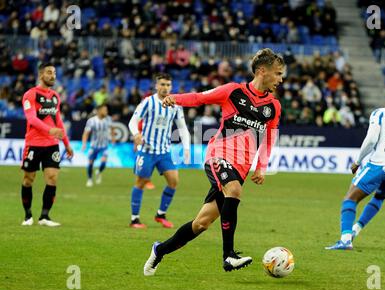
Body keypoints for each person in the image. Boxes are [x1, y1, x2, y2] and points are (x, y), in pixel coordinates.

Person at [143, 48, 285, 275]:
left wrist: (261, 167)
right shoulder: (233, 92)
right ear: (261, 71)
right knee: (235, 190)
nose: (280, 79)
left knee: (201, 223)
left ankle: (159, 250)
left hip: (241, 166)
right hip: (218, 155)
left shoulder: (273, 107)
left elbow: (269, 140)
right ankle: (229, 255)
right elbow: (200, 97)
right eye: (277, 73)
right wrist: (175, 99)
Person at [326, 91, 385, 250]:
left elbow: (371, 139)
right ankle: (355, 230)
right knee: (378, 198)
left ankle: (345, 240)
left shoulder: (381, 113)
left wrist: (357, 161)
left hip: (380, 164)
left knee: (350, 199)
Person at [128, 73, 190, 229]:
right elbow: (133, 121)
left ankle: (160, 214)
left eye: (168, 85)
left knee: (174, 181)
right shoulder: (148, 102)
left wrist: (187, 148)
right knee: (141, 182)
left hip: (164, 151)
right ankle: (134, 219)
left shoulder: (175, 104)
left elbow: (182, 128)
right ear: (156, 86)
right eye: (162, 84)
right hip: (147, 150)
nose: (165, 87)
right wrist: (136, 134)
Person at [20, 62, 74, 227]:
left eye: (54, 72)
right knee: (29, 179)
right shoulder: (30, 95)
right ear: (41, 75)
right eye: (49, 72)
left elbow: (58, 121)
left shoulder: (55, 96)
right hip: (33, 144)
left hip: (51, 145)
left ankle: (44, 216)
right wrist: (50, 130)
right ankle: (28, 215)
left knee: (52, 178)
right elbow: (31, 119)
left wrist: (66, 143)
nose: (53, 76)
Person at [81, 103, 116, 187]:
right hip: (94, 146)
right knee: (90, 163)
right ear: (99, 111)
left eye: (106, 110)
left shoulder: (109, 119)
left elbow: (112, 128)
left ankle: (99, 171)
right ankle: (89, 179)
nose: (106, 111)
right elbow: (86, 133)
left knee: (103, 163)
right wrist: (84, 143)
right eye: (104, 110)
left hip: (104, 146)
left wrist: (113, 138)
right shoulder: (91, 121)